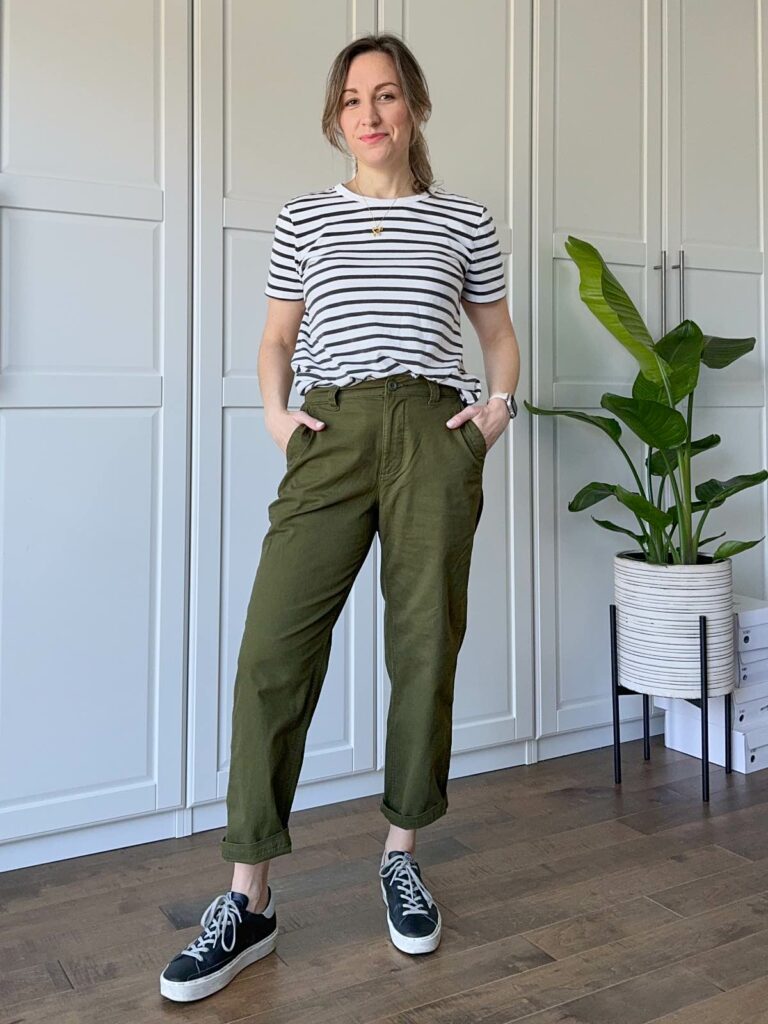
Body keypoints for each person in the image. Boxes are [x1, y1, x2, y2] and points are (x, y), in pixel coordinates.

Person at [160, 32, 520, 1003]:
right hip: (334, 427)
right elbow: (278, 335)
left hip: (431, 431)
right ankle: (250, 897)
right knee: (274, 650)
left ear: (415, 110)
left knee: (424, 644)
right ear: (335, 119)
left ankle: (401, 850)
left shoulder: (463, 219)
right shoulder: (304, 218)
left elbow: (497, 334)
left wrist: (492, 415)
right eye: (354, 98)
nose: (370, 113)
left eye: (389, 94)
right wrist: (281, 419)